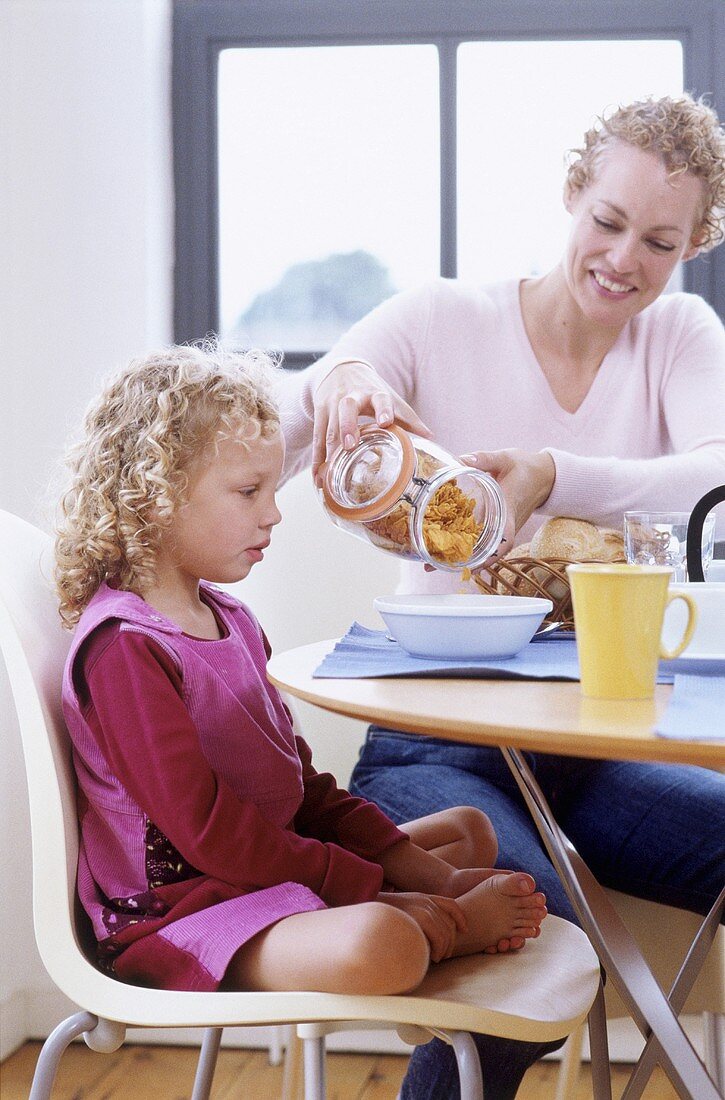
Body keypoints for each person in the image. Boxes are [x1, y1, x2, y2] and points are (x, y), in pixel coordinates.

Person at [276, 94, 725, 1096]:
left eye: (657, 240)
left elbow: (712, 474)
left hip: (602, 753)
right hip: (435, 745)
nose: (622, 258)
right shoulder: (445, 317)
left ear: (690, 243)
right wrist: (347, 378)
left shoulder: (680, 338)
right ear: (571, 195)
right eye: (605, 222)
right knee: (523, 927)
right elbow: (309, 400)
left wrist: (545, 473)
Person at [53, 342, 548, 1002]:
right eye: (248, 491)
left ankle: (420, 913)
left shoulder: (231, 620)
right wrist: (382, 889)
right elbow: (209, 836)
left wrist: (408, 868)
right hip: (183, 913)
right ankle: (438, 931)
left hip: (257, 868)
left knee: (467, 831)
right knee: (382, 941)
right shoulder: (125, 648)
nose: (273, 511)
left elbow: (300, 787)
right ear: (157, 499)